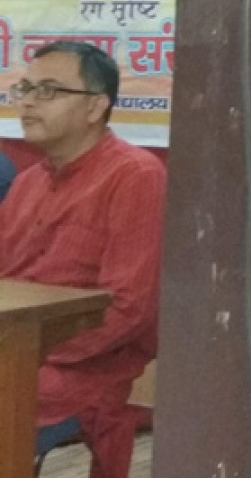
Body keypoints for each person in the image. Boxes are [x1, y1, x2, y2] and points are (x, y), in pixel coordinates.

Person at [0, 41, 166, 478]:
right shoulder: (27, 182)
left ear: (95, 106)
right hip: (15, 351)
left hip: (82, 368)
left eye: (48, 91)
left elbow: (129, 309)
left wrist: (26, 351)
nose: (29, 102)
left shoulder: (136, 176)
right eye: (25, 89)